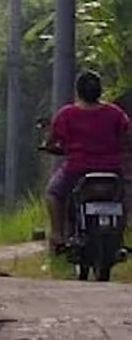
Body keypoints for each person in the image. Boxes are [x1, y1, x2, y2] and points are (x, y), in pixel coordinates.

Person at [45, 71, 130, 253]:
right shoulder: (115, 113)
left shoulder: (66, 114)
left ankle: (57, 235)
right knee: (122, 199)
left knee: (53, 193)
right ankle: (119, 237)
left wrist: (52, 147)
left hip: (76, 170)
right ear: (100, 90)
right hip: (112, 170)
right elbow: (126, 137)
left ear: (78, 91)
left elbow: (52, 142)